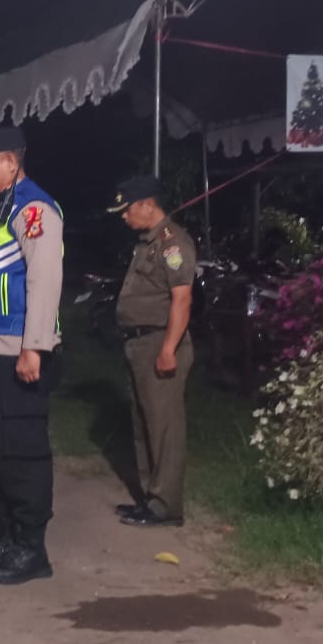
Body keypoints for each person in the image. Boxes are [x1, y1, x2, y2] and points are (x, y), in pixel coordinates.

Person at [0, 126, 65, 586]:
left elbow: (44, 279)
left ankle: (33, 550)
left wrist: (33, 347)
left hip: (19, 351)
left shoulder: (34, 208)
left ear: (10, 162)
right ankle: (12, 534)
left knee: (23, 450)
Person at [109, 175, 196, 528]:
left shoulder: (173, 243)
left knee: (164, 427)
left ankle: (165, 506)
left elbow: (182, 299)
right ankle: (150, 498)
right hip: (139, 343)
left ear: (147, 205)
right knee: (144, 424)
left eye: (126, 209)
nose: (123, 216)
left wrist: (169, 349)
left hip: (160, 341)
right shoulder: (148, 243)